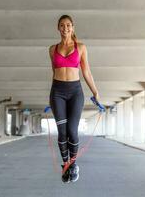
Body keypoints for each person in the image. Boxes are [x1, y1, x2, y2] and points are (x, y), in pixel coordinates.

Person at [48, 14, 100, 183]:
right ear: (58, 28)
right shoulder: (52, 49)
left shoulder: (81, 47)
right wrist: (51, 99)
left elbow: (86, 72)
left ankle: (73, 164)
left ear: (73, 27)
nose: (65, 28)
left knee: (72, 130)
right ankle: (65, 166)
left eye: (68, 25)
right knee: (61, 133)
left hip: (75, 92)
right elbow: (54, 72)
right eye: (62, 25)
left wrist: (95, 92)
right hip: (57, 92)